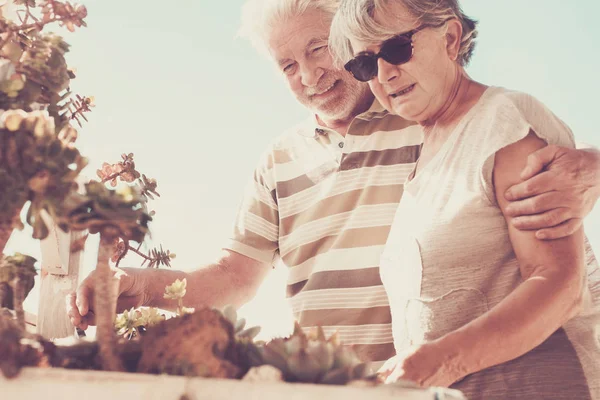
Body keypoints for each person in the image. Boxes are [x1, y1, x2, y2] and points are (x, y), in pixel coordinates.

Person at [67, 0, 600, 371]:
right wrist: (139, 286)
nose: (309, 76)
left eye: (319, 49)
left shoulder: (423, 110)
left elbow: (500, 128)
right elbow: (234, 277)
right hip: (331, 384)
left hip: (446, 375)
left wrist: (594, 166)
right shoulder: (277, 160)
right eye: (287, 65)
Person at [329, 0, 600, 398]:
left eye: (397, 49)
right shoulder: (428, 155)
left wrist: (440, 362)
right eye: (366, 65)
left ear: (451, 38)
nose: (385, 73)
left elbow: (560, 286)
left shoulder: (503, 120)